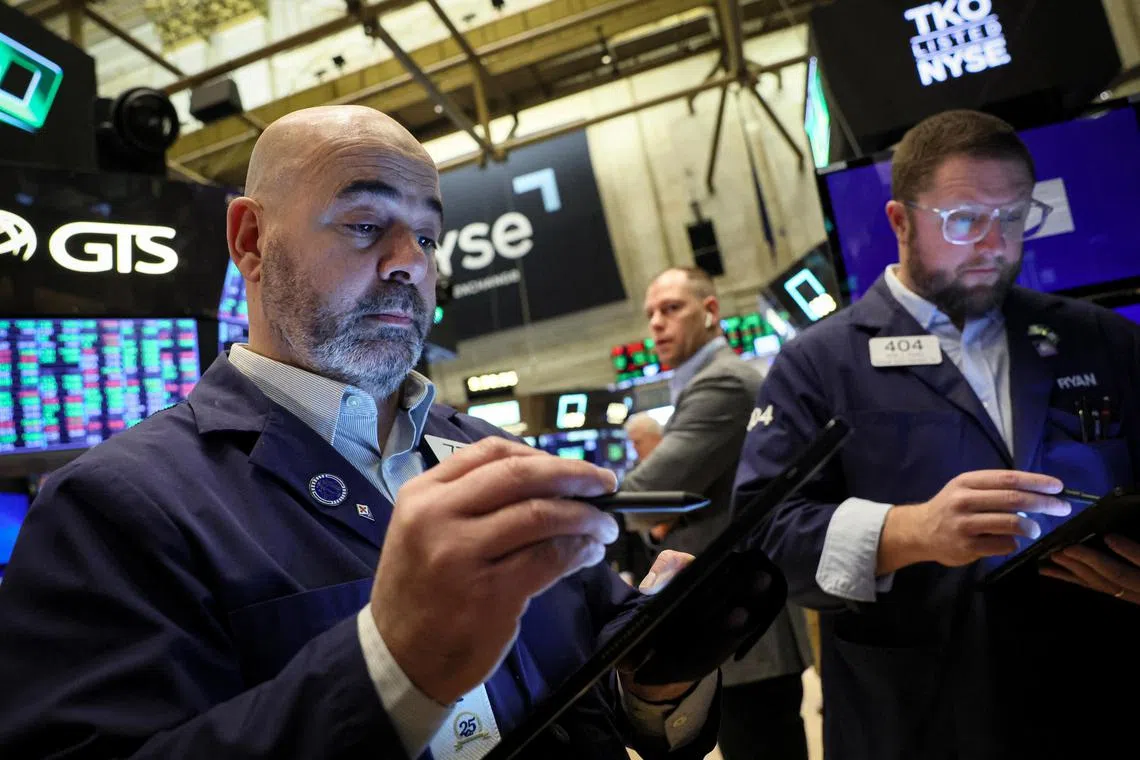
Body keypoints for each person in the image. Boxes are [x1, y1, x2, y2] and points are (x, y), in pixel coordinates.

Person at [0, 106, 732, 760]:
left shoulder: (495, 457)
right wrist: (390, 667)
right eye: (363, 226)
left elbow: (605, 694)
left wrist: (659, 683)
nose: (408, 262)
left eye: (427, 235)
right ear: (251, 239)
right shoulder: (113, 507)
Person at [733, 109, 1140, 760]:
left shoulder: (1099, 337)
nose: (994, 245)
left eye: (1013, 218)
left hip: (1099, 706)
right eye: (964, 220)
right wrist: (910, 532)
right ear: (900, 221)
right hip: (918, 720)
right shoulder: (820, 365)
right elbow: (763, 541)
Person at [623, 267, 812, 760]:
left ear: (710, 312)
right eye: (650, 315)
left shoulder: (723, 383)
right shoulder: (707, 383)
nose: (657, 325)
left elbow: (645, 495)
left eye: (671, 308)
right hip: (739, 620)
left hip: (744, 623)